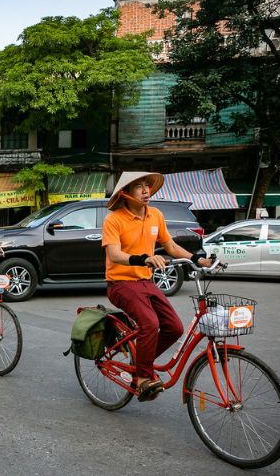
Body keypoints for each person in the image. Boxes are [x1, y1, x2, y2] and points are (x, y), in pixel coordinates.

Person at [102, 172, 212, 402]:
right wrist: (143, 259)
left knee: (174, 327)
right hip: (121, 283)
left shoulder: (156, 216)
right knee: (150, 323)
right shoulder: (113, 220)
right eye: (139, 187)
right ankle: (143, 377)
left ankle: (142, 359)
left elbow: (170, 246)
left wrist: (196, 259)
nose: (146, 191)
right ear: (125, 193)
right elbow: (114, 254)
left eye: (147, 187)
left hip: (145, 282)